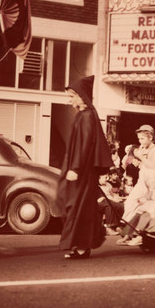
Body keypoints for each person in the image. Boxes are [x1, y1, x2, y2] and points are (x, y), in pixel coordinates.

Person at [56, 76, 113, 259]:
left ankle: (81, 247)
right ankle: (79, 245)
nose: (70, 100)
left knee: (77, 207)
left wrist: (76, 169)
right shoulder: (83, 116)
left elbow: (84, 145)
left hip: (81, 172)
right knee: (75, 206)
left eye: (72, 96)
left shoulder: (86, 117)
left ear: (81, 96)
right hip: (80, 171)